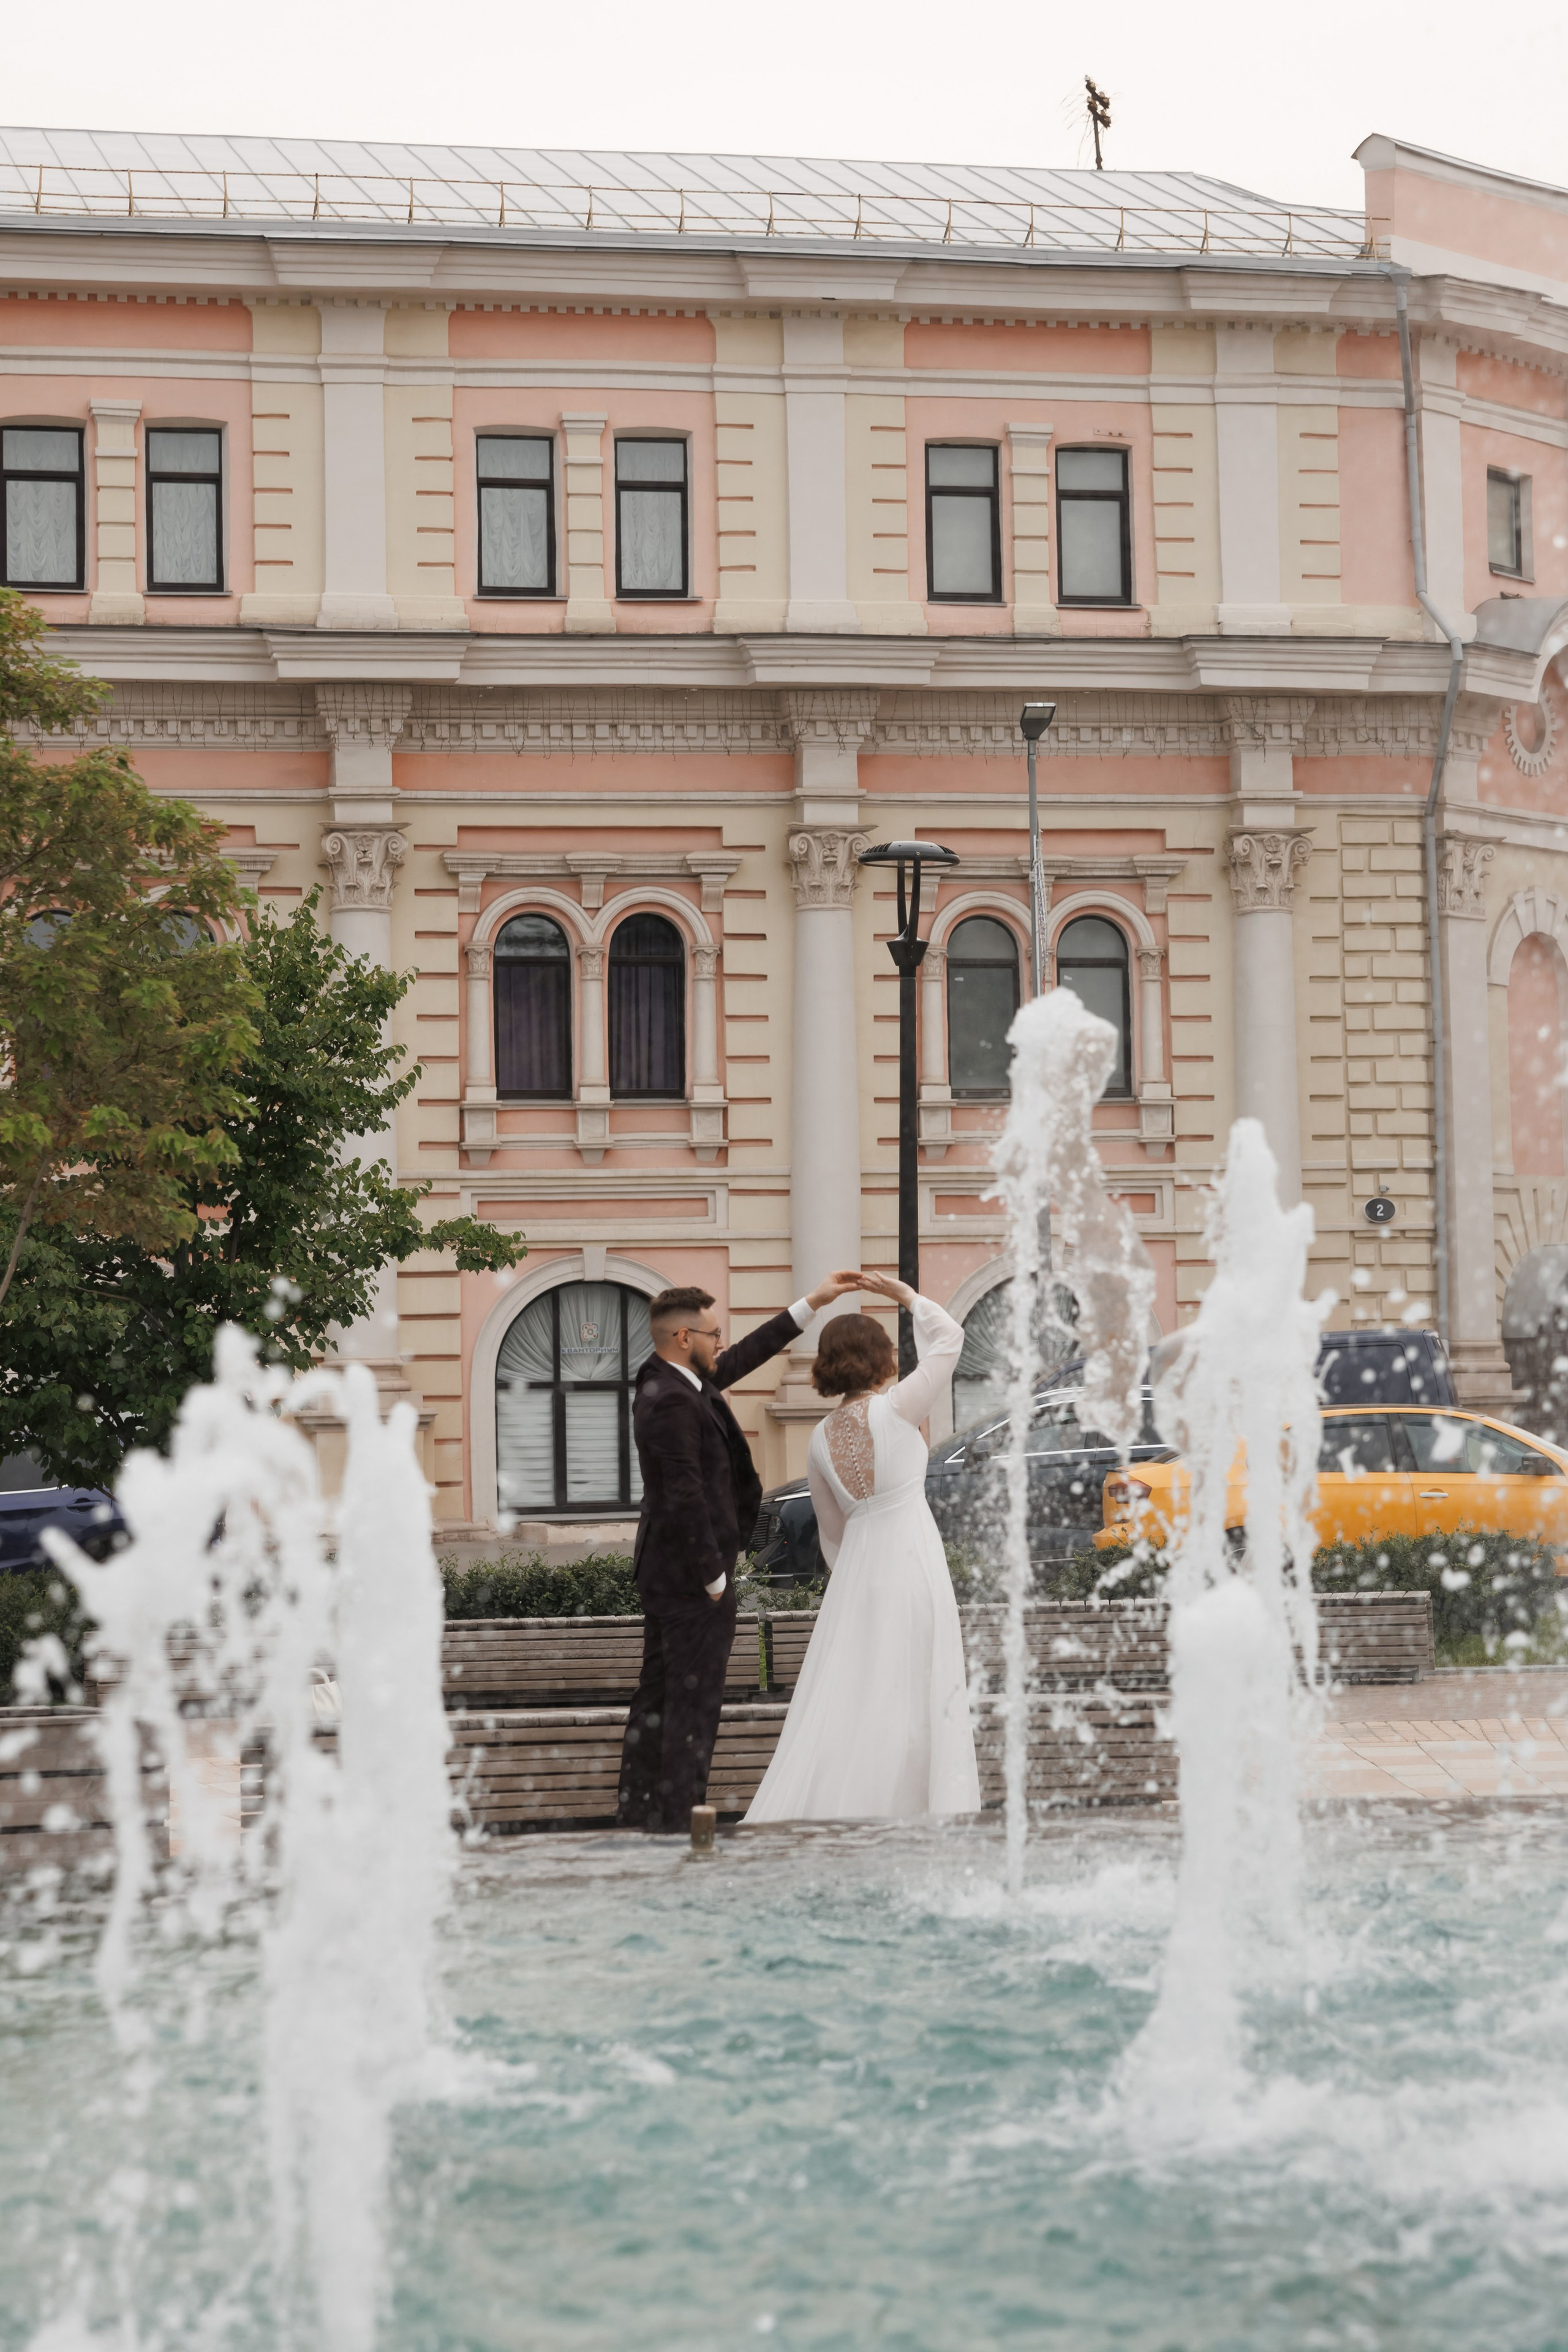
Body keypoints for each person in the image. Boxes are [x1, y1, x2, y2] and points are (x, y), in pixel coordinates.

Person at [616, 1268, 863, 1833]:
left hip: (674, 1574)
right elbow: (682, 1495)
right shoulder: (670, 1399)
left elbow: (746, 1355)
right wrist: (713, 1578)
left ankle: (643, 1815)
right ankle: (679, 1824)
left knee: (660, 1697)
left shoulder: (678, 1381)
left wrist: (811, 1304)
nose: (720, 1343)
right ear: (684, 1338)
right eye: (712, 1334)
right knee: (690, 1706)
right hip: (689, 1578)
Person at [745, 1273, 981, 1823]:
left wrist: (853, 1573)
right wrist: (904, 1295)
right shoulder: (898, 1408)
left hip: (858, 1574)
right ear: (878, 1358)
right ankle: (916, 1810)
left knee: (858, 1693)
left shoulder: (820, 1436)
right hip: (911, 1559)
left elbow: (831, 1530)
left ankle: (852, 1807)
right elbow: (949, 1340)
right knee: (918, 1688)